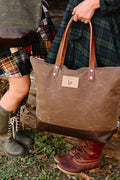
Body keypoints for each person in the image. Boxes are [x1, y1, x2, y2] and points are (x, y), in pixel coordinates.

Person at [46, 0, 120, 174]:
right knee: (83, 84)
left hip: (108, 21)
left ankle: (92, 154)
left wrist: (98, 2)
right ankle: (84, 144)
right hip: (85, 16)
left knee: (100, 86)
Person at [0, 0, 56, 158]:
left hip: (25, 20)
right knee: (20, 87)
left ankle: (13, 131)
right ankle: (3, 137)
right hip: (7, 24)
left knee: (23, 85)